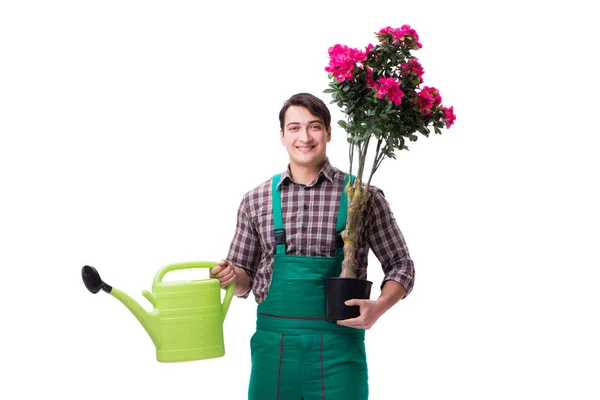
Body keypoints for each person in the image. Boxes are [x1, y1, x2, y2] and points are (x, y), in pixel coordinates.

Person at [210, 92, 414, 400]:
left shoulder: (362, 196)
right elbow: (243, 282)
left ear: (329, 132)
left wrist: (379, 308)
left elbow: (401, 265)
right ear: (282, 135)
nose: (304, 137)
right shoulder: (256, 200)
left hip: (340, 347)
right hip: (273, 350)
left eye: (314, 126)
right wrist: (230, 276)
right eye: (294, 128)